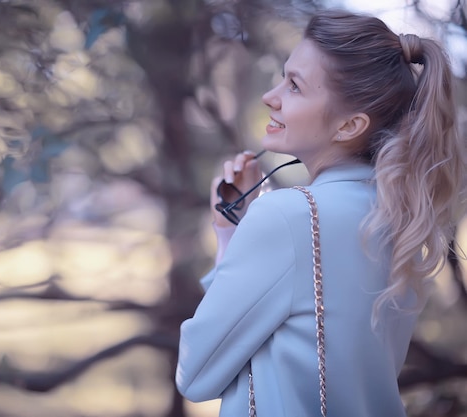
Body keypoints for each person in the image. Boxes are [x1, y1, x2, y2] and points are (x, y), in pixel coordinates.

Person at [175, 9, 466, 417]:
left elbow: (196, 374)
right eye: (283, 76)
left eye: (294, 86)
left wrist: (233, 235)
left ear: (350, 126)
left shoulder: (287, 217)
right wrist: (233, 231)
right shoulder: (398, 221)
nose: (270, 96)